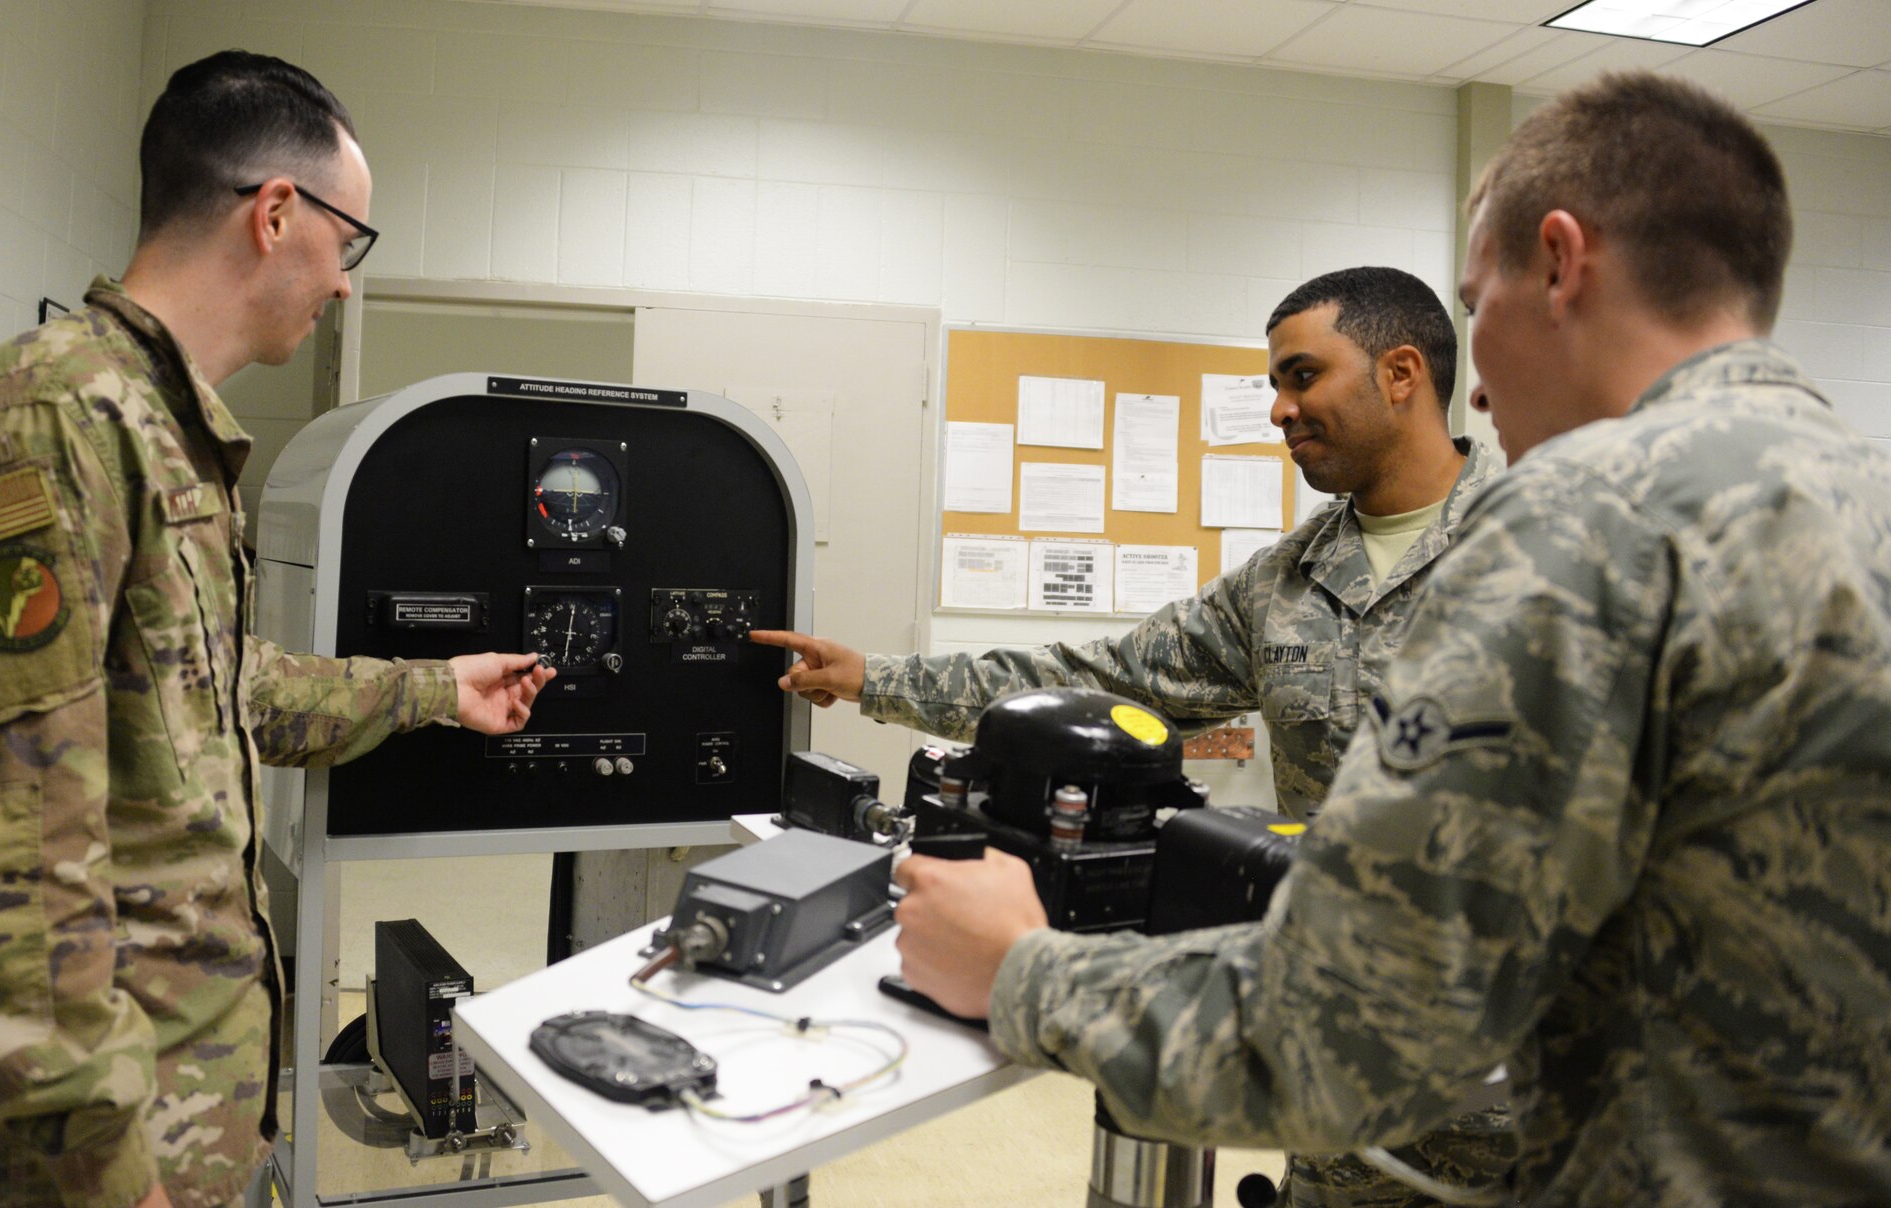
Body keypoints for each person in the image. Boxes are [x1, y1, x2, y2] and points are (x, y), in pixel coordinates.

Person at [892, 70, 1891, 1206]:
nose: (1475, 372)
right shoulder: (1859, 497)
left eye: (1476, 303)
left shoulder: (1581, 519)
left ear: (1559, 262)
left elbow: (1346, 1023)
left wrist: (1020, 971)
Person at [0, 52, 555, 1208]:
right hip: (79, 1162)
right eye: (349, 244)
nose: (345, 283)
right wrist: (106, 1169)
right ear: (277, 212)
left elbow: (208, 688)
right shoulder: (45, 422)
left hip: (190, 1113)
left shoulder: (160, 429)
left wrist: (433, 689)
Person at [757, 266, 1503, 1206]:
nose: (1278, 409)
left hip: (1521, 1107)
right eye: (1275, 384)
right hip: (1334, 1082)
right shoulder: (1288, 581)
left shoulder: (1544, 551)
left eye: (1303, 376)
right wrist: (877, 680)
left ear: (1401, 373)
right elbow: (1101, 678)